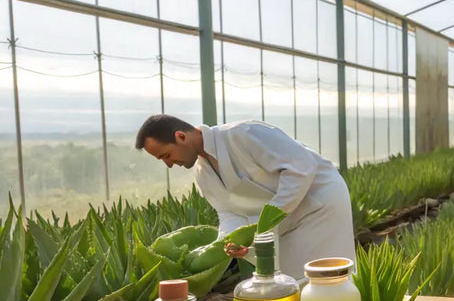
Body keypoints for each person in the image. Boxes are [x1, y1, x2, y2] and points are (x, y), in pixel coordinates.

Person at [135, 114, 355, 280]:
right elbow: (228, 211)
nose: (169, 164)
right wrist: (230, 241)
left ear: (181, 136)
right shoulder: (203, 174)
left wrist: (272, 214)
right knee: (289, 280)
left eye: (166, 155)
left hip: (319, 204)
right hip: (283, 220)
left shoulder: (244, 133)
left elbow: (300, 166)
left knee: (322, 278)